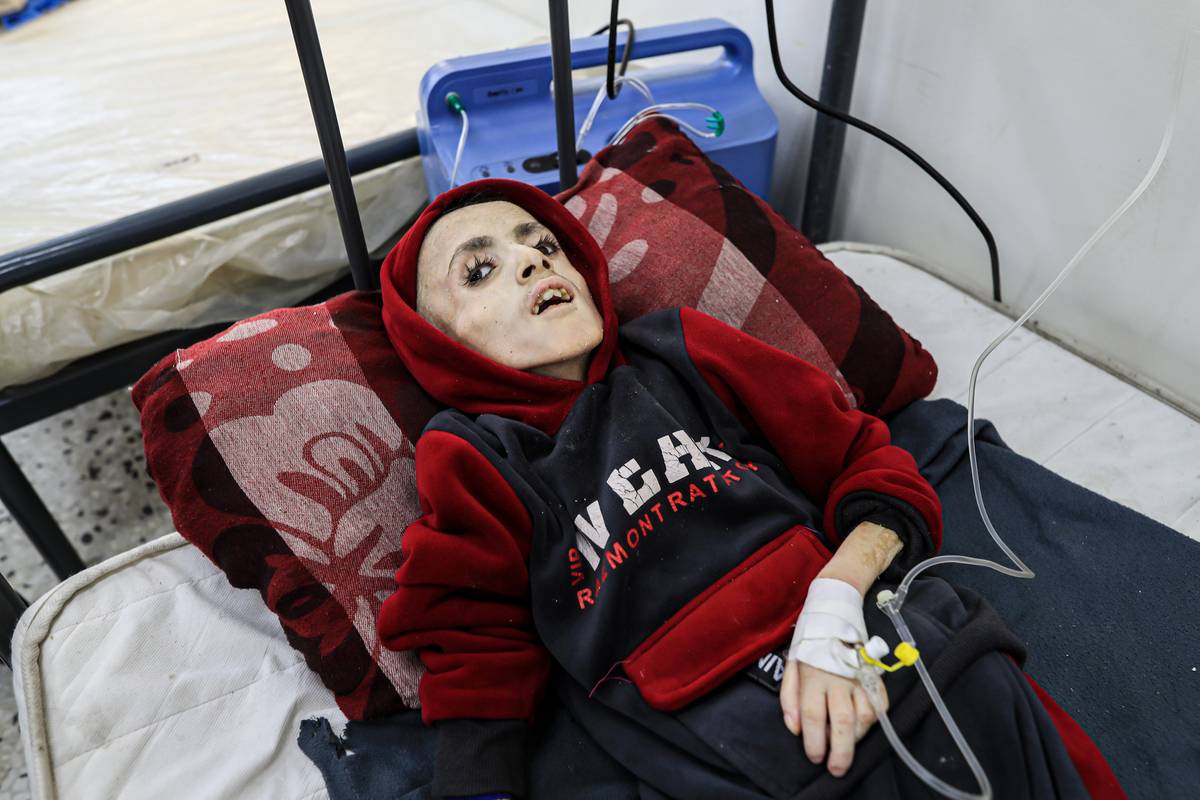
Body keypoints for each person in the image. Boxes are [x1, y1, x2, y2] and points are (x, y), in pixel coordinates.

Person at [376, 179, 1118, 799]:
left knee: (986, 703)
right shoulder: (478, 458)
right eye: (480, 271)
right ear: (436, 341)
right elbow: (476, 647)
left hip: (868, 636)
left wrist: (836, 599)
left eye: (542, 245)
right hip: (718, 722)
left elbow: (869, 464)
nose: (535, 264)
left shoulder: (681, 351)